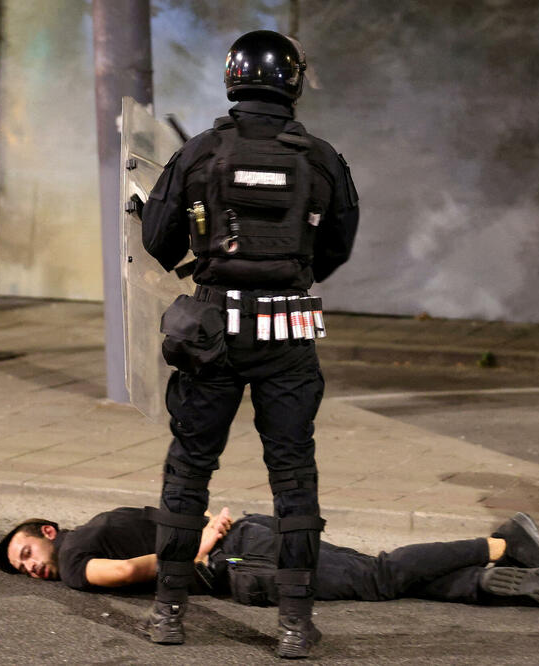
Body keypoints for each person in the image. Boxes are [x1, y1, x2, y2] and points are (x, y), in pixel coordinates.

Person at [138, 30, 360, 657]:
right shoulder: (321, 158)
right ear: (292, 81)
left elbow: (158, 241)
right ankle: (293, 625)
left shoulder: (200, 152)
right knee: (293, 476)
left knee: (189, 471)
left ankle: (167, 614)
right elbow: (337, 249)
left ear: (233, 79)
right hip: (288, 332)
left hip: (212, 331)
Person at [0, 507, 539, 623]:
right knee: (372, 580)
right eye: (21, 570)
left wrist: (194, 553)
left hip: (242, 557)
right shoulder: (101, 522)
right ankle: (483, 586)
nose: (29, 568)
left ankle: (501, 545)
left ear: (47, 532)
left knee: (377, 575)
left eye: (25, 554)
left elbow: (120, 575)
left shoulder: (73, 557)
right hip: (247, 540)